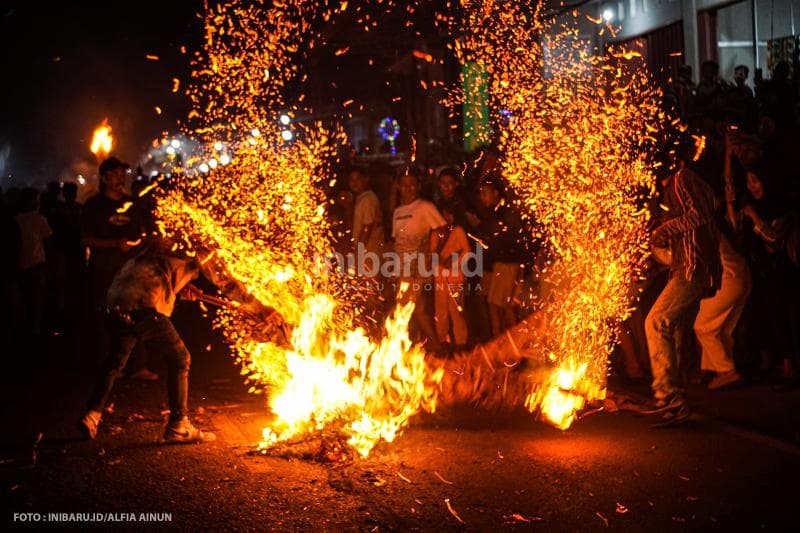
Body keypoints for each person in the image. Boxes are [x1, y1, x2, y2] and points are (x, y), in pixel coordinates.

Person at [79, 240, 273, 443]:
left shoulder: (160, 241)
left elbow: (156, 271)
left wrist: (180, 286)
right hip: (144, 306)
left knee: (116, 361)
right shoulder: (198, 246)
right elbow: (228, 283)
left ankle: (92, 414)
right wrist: (260, 307)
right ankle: (178, 425)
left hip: (116, 301)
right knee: (180, 358)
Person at [644, 141, 721, 424]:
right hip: (688, 267)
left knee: (656, 321)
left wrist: (665, 229)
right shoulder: (673, 188)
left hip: (692, 268)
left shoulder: (681, 178)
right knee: (674, 332)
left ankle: (668, 396)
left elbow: (701, 214)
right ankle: (676, 404)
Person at [81, 157, 154, 376]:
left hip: (131, 271)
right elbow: (85, 240)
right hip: (105, 269)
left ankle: (138, 365)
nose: (120, 178)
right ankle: (110, 367)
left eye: (122, 173)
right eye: (114, 174)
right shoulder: (94, 205)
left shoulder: (132, 204)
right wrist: (114, 244)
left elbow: (144, 233)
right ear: (104, 178)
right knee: (106, 316)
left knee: (136, 314)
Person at [391, 170, 446, 353]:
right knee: (408, 306)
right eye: (404, 184)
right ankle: (418, 343)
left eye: (412, 184)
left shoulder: (424, 206)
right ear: (398, 187)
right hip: (402, 267)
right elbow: (396, 241)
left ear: (418, 186)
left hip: (418, 266)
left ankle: (436, 344)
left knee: (416, 307)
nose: (408, 188)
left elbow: (440, 229)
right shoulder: (398, 211)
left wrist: (431, 254)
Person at [476, 177, 524, 336]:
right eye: (480, 193)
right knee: (497, 306)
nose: (482, 196)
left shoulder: (503, 213)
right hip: (495, 266)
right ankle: (504, 345)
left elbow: (505, 240)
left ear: (496, 193)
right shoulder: (491, 213)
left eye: (485, 193)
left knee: (502, 307)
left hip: (506, 265)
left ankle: (509, 348)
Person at [15, 188, 52, 338]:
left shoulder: (16, 219)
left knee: (24, 299)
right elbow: (48, 240)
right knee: (36, 300)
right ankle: (34, 330)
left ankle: (23, 329)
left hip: (21, 265)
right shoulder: (39, 219)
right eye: (35, 199)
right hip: (37, 264)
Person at [433, 203, 470, 352]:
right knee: (441, 311)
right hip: (439, 278)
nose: (444, 217)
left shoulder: (458, 231)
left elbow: (467, 251)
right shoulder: (436, 233)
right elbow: (432, 253)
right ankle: (443, 341)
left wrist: (453, 263)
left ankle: (461, 343)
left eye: (446, 214)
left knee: (455, 311)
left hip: (455, 278)